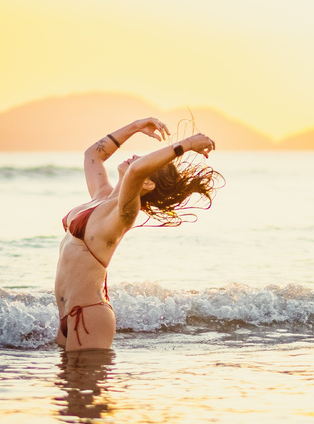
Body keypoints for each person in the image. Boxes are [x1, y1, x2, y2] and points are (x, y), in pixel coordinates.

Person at [55, 117, 220, 350]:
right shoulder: (101, 194)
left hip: (89, 314)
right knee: (68, 385)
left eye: (144, 161)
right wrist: (135, 127)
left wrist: (187, 144)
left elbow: (135, 171)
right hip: (68, 313)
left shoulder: (125, 213)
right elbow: (92, 154)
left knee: (82, 385)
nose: (136, 158)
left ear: (149, 184)